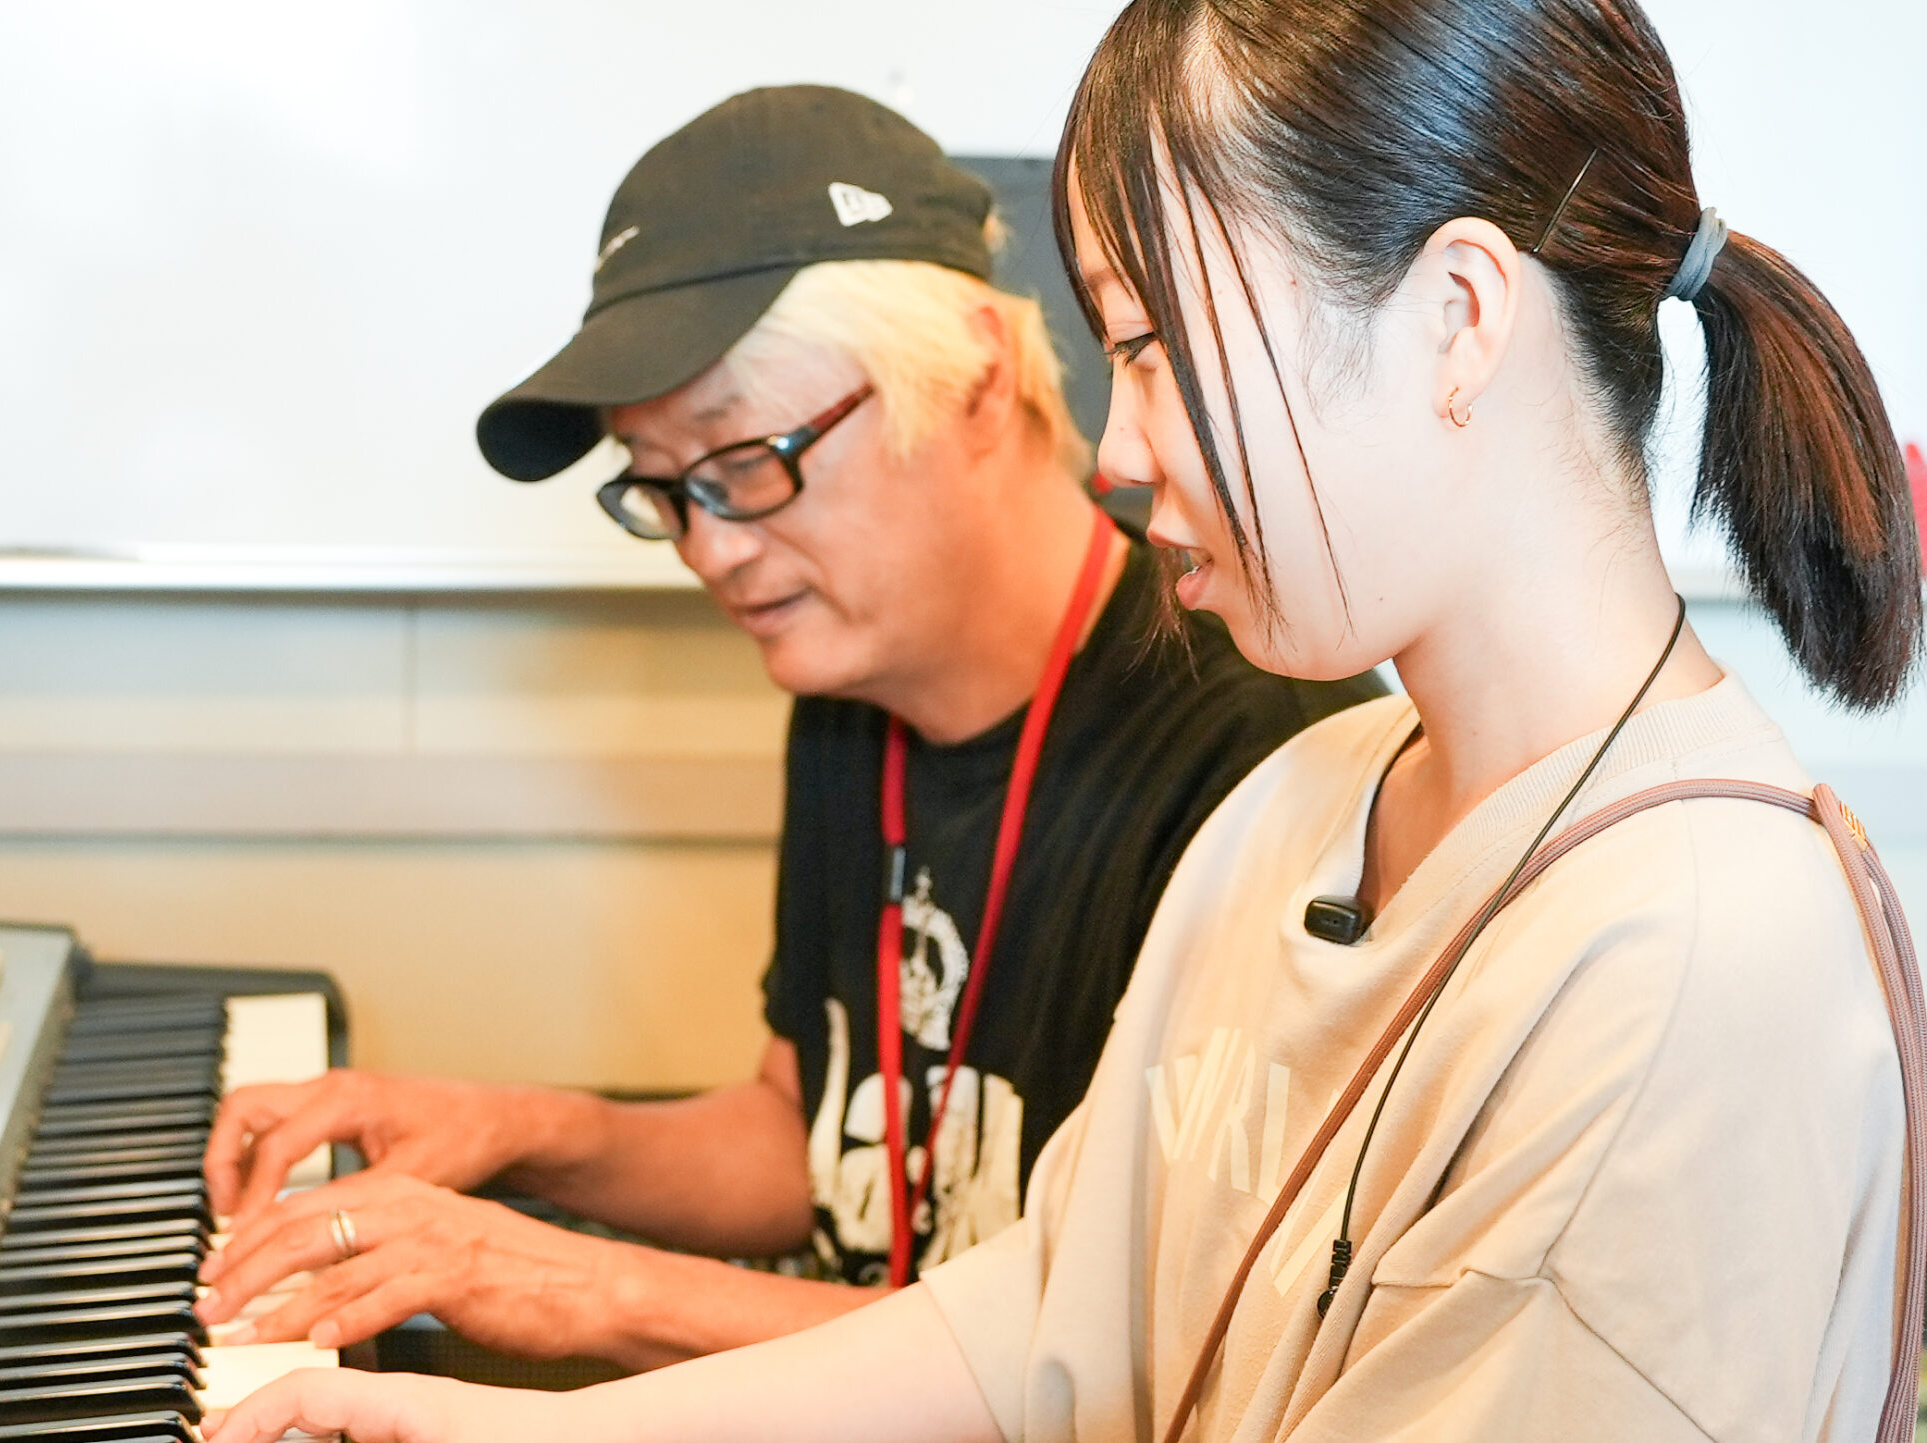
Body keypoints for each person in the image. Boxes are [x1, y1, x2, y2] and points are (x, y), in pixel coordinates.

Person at [206, 0, 1926, 1437]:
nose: (1113, 443)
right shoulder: (1305, 806)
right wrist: (503, 1422)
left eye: (1156, 346)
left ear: (1457, 321)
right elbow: (1047, 1317)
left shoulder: (1694, 961)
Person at [195, 85, 1379, 1370]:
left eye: (746, 461)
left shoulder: (1260, 759)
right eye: (662, 489)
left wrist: (588, 1286)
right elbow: (808, 1140)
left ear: (978, 375)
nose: (709, 549)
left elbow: (1134, 1364)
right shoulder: (849, 678)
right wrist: (519, 1132)